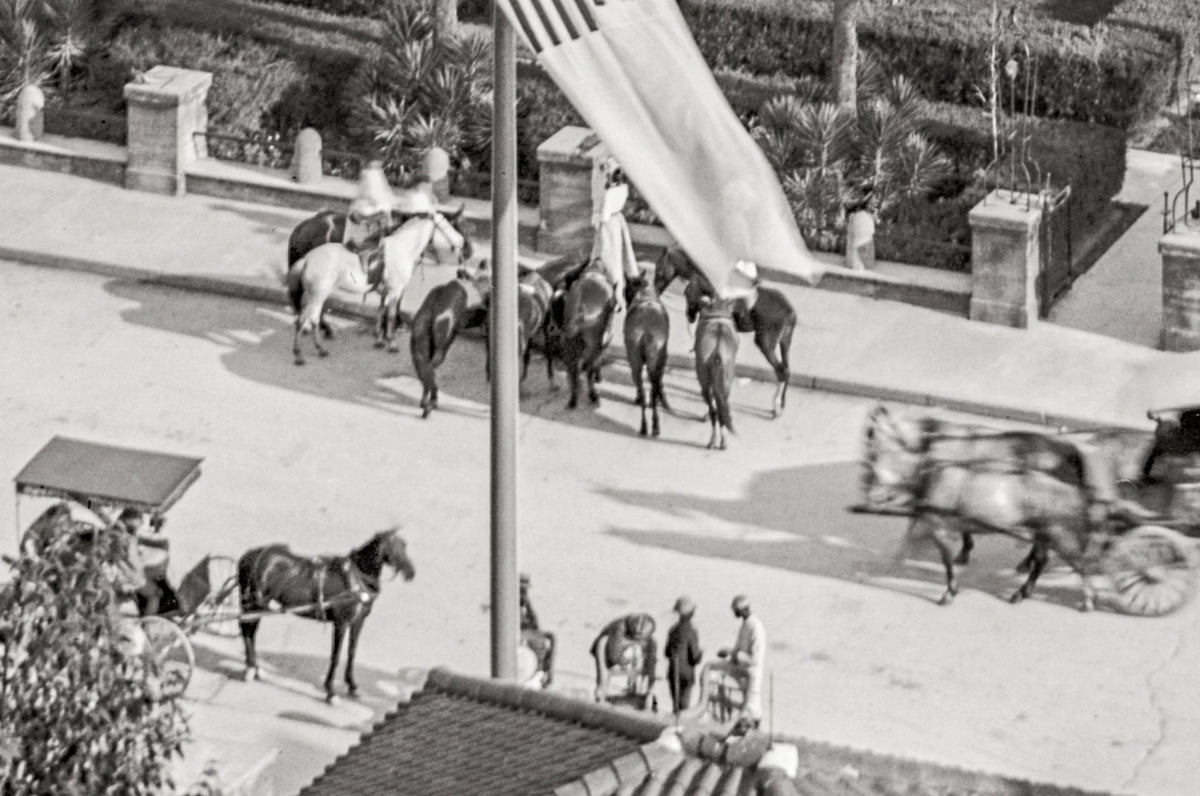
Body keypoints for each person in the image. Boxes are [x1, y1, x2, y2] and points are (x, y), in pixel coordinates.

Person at [115, 508, 178, 617]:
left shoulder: (119, 531)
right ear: (131, 521)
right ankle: (146, 621)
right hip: (127, 573)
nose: (140, 524)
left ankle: (125, 602)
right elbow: (134, 562)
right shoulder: (128, 537)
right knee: (155, 594)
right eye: (139, 521)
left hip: (121, 570)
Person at [714, 594, 765, 729]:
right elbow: (738, 649)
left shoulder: (756, 626)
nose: (734, 613)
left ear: (742, 609)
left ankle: (753, 729)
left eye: (735, 610)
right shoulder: (745, 624)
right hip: (742, 671)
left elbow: (755, 659)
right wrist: (729, 654)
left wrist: (735, 654)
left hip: (751, 673)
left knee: (752, 706)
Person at [590, 612, 656, 703]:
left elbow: (650, 661)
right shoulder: (618, 629)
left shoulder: (649, 639)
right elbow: (613, 656)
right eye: (638, 636)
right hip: (607, 652)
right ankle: (601, 695)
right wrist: (622, 660)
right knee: (604, 676)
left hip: (624, 656)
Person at [665, 595, 703, 716]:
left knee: (676, 706)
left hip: (672, 672)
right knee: (684, 708)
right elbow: (695, 657)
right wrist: (701, 653)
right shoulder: (692, 632)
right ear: (691, 613)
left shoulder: (673, 631)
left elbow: (666, 653)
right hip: (686, 674)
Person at [520, 573, 555, 686]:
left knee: (550, 639)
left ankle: (544, 671)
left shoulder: (524, 601)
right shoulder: (513, 601)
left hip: (528, 637)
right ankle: (543, 671)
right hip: (523, 639)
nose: (524, 591)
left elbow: (532, 622)